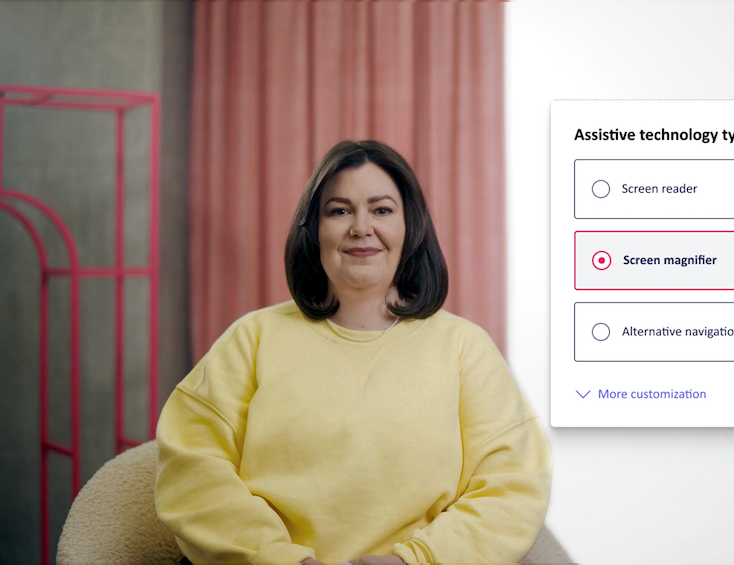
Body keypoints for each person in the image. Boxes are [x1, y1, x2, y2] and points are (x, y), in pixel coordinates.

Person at [155, 140, 552, 565]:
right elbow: (192, 465)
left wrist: (415, 562)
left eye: (381, 210)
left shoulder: (464, 348)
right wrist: (280, 559)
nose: (361, 227)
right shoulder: (253, 337)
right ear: (315, 229)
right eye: (339, 210)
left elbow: (513, 484)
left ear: (409, 228)